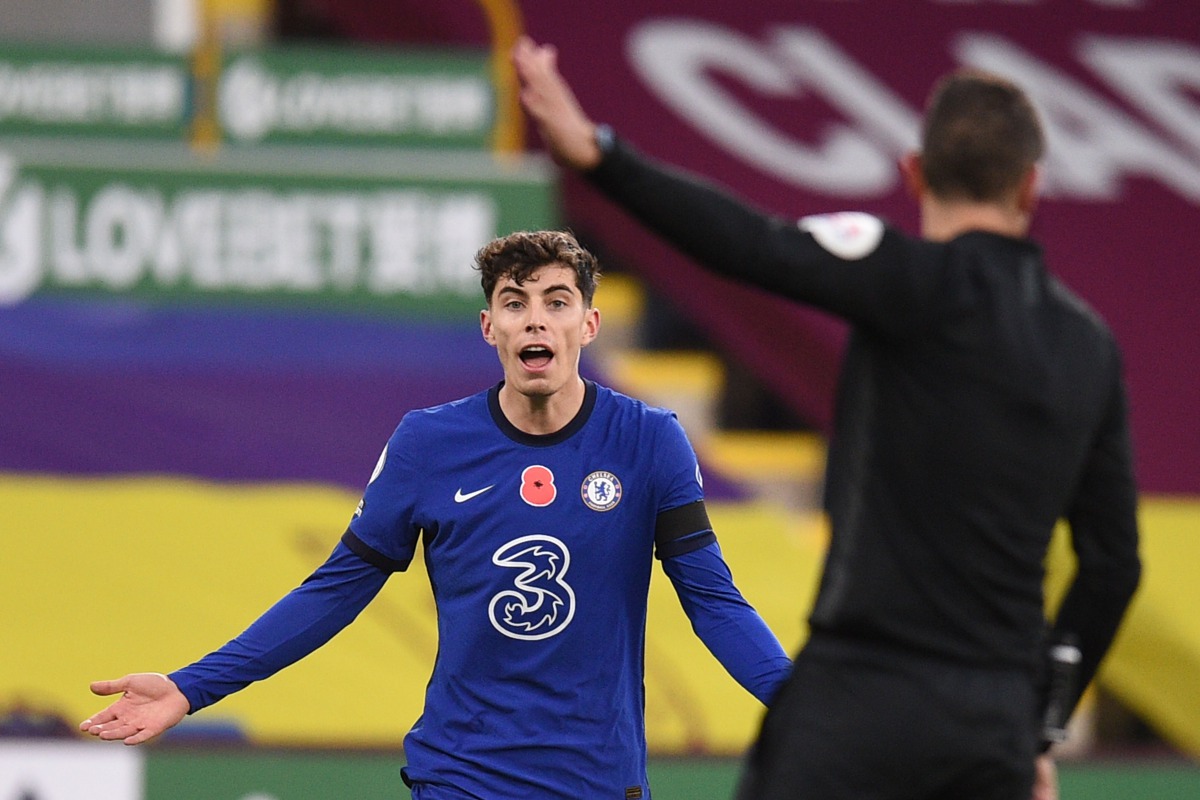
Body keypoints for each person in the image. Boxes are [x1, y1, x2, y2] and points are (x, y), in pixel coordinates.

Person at [512, 36, 1142, 800]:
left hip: (861, 695)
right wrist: (1039, 726)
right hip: (994, 720)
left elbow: (751, 245)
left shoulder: (904, 278)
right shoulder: (1089, 346)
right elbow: (1112, 566)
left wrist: (598, 156)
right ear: (1032, 187)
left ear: (913, 172)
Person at [79, 229, 793, 799]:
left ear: (590, 323)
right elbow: (336, 589)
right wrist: (192, 685)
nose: (535, 318)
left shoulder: (648, 441)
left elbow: (714, 601)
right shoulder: (429, 443)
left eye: (556, 301)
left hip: (598, 779)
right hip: (462, 774)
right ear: (490, 328)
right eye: (515, 303)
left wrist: (803, 706)